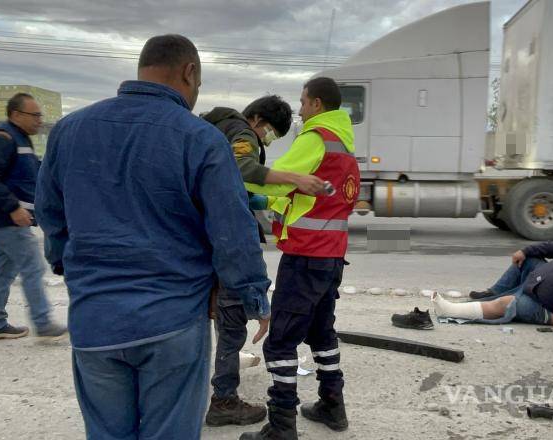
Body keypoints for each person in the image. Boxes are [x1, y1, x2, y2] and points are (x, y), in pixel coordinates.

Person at [35, 34, 271, 439]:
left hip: (95, 322)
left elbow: (51, 217)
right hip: (173, 321)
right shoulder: (200, 138)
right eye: (198, 84)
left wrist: (72, 268)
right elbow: (232, 230)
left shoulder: (69, 130)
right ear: (189, 72)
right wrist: (253, 295)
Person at [240, 77, 360, 440]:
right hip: (331, 258)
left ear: (318, 105)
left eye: (304, 103)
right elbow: (315, 197)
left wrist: (242, 179)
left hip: (305, 257)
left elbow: (276, 179)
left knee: (281, 341)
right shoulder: (344, 144)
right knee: (322, 332)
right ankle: (332, 405)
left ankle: (281, 425)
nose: (301, 110)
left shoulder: (315, 138)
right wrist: (274, 204)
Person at [200, 96, 324, 427]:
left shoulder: (214, 128)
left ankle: (195, 392)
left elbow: (230, 184)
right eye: (269, 132)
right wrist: (294, 179)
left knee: (203, 320)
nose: (266, 139)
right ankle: (223, 400)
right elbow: (243, 171)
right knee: (231, 324)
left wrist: (267, 200)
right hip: (221, 240)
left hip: (196, 237)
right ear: (256, 119)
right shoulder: (242, 132)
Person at [397, 230, 553, 342]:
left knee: (506, 303)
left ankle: (452, 310)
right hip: (535, 288)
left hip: (552, 312)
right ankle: (491, 293)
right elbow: (550, 246)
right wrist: (526, 251)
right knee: (526, 261)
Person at [0, 93, 67, 342]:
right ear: (16, 115)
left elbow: (34, 175)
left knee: (2, 272)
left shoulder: (21, 140)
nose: (39, 120)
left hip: (5, 219)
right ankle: (43, 323)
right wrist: (13, 207)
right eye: (34, 115)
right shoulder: (3, 139)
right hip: (6, 219)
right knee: (33, 267)